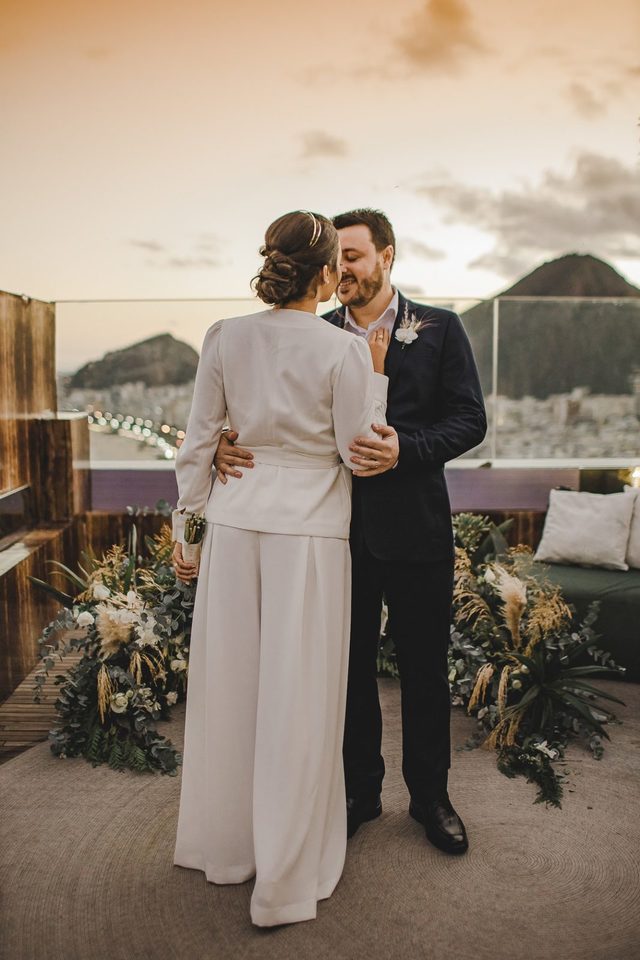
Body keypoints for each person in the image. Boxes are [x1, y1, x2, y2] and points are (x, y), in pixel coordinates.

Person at [214, 208, 487, 856]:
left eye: (356, 258)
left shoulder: (441, 328)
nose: (344, 271)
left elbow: (469, 420)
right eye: (338, 260)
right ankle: (360, 791)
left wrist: (407, 449)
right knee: (347, 670)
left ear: (387, 256)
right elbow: (277, 413)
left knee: (424, 670)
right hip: (338, 530)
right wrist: (225, 442)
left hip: (417, 527)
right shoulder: (319, 331)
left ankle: (431, 797)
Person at [170, 210, 395, 927]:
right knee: (298, 701)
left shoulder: (224, 336)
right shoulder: (343, 350)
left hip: (234, 529)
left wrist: (189, 537)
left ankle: (228, 851)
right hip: (308, 540)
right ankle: (285, 880)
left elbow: (197, 446)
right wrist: (376, 381)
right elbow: (359, 450)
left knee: (231, 693)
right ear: (327, 274)